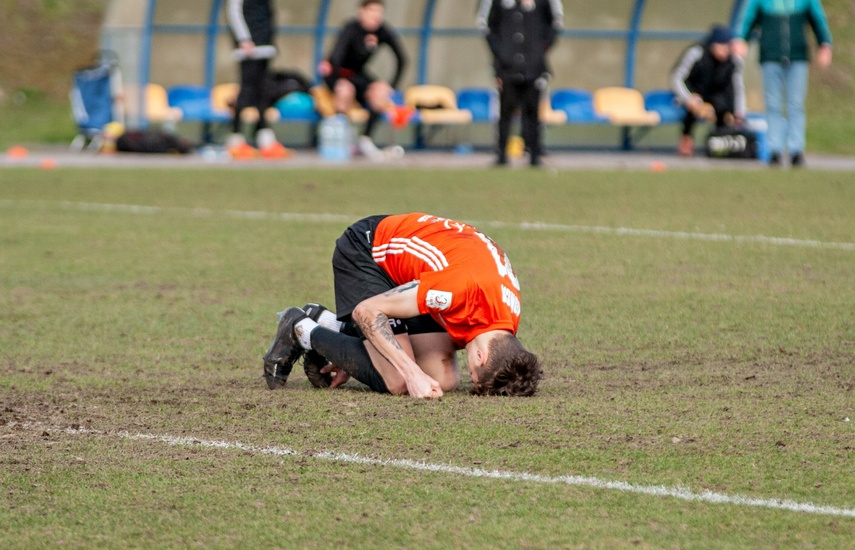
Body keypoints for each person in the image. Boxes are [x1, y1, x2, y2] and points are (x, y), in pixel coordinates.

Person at [262, 213, 543, 399]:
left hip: (419, 275)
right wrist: (412, 373)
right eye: (474, 374)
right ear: (481, 357)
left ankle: (325, 320)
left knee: (443, 379)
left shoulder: (506, 319)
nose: (470, 375)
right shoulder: (458, 290)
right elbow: (367, 311)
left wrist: (364, 353)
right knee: (398, 380)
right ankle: (300, 327)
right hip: (368, 250)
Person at [733, 0, 833, 167]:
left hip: (797, 57)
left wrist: (825, 44)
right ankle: (775, 150)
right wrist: (740, 39)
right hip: (770, 57)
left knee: (796, 104)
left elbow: (818, 19)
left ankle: (796, 150)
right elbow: (747, 18)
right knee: (773, 105)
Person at [477, 0, 564, 167]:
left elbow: (555, 24)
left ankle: (534, 155)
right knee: (505, 113)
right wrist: (502, 54)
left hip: (534, 69)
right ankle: (502, 155)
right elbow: (487, 26)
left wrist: (538, 51)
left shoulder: (544, 3)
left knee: (533, 113)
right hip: (506, 69)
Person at [318, 0, 407, 159]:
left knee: (380, 92)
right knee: (345, 90)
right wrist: (340, 81)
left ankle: (365, 139)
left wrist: (391, 85)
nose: (375, 15)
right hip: (338, 74)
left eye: (378, 12)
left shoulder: (382, 31)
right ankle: (342, 138)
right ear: (362, 12)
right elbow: (336, 59)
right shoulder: (351, 28)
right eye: (371, 11)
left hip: (359, 75)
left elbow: (402, 59)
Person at [225, 0, 291, 159]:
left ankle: (265, 138)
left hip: (265, 46)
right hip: (249, 48)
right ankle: (236, 138)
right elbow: (233, 11)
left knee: (264, 91)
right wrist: (243, 39)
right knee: (246, 90)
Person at [670, 25, 747, 157]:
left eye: (727, 47)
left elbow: (737, 87)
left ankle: (719, 140)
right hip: (693, 92)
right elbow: (676, 78)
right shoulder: (697, 53)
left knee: (722, 106)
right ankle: (686, 139)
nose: (725, 50)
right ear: (713, 45)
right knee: (693, 107)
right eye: (722, 46)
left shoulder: (733, 61)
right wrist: (688, 98)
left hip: (715, 95)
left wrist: (739, 111)